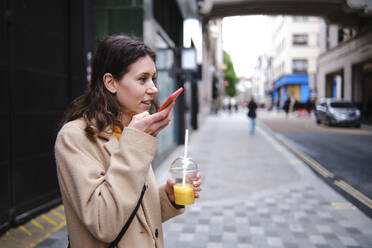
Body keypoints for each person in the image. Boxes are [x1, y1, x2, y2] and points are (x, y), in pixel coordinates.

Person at [55, 35, 202, 248]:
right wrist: (135, 144)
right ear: (110, 83)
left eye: (153, 78)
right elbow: (104, 222)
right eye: (142, 79)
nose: (153, 88)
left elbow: (134, 214)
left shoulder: (129, 130)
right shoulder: (74, 137)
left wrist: (168, 198)